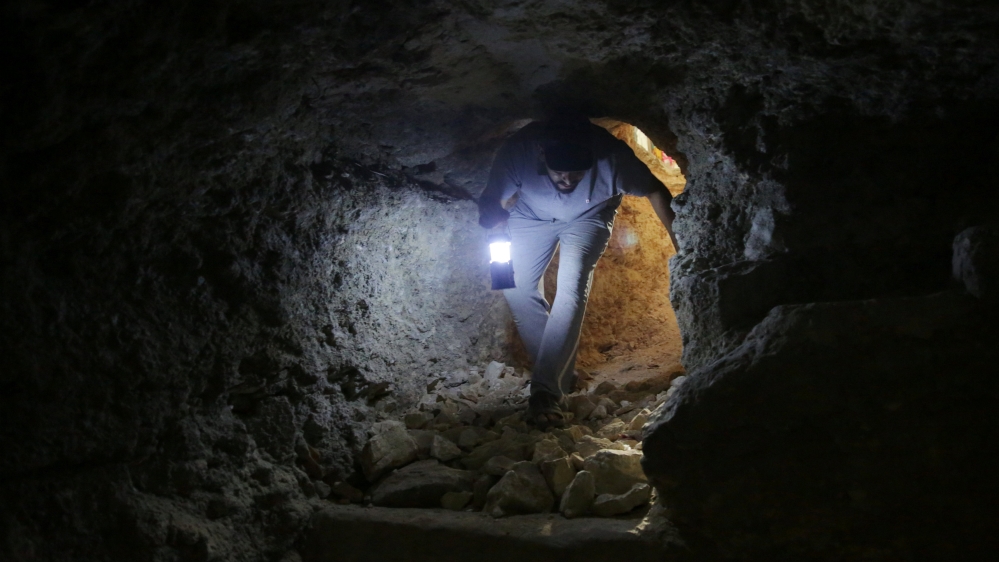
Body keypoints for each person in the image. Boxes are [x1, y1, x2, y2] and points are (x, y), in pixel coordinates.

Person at [477, 115, 679, 428]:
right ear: (542, 154)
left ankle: (545, 393)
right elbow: (492, 198)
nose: (569, 180)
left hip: (588, 217)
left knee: (571, 289)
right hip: (531, 216)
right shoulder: (520, 151)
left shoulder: (611, 156)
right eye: (561, 172)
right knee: (515, 287)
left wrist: (681, 243)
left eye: (578, 173)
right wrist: (493, 219)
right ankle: (560, 372)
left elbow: (656, 190)